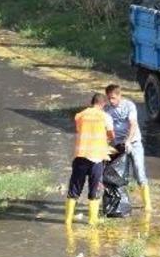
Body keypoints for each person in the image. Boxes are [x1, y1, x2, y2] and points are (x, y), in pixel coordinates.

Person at [65, 93, 115, 227]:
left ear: (92, 102)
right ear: (103, 104)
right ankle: (92, 221)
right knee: (94, 189)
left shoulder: (80, 115)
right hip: (96, 158)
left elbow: (81, 130)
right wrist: (107, 140)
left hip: (80, 156)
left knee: (74, 189)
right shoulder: (105, 116)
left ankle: (68, 221)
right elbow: (111, 135)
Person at [105, 84, 152, 212]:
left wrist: (128, 141)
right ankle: (121, 203)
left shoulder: (129, 106)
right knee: (118, 175)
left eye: (113, 98)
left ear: (120, 96)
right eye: (109, 98)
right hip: (117, 145)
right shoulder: (107, 108)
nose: (111, 101)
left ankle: (147, 204)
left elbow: (133, 124)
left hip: (133, 143)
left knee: (139, 172)